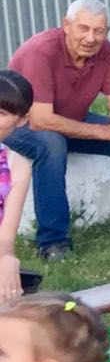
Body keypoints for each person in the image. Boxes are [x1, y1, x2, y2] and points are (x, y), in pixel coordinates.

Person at [4, 0, 110, 262]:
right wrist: (108, 132)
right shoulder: (40, 51)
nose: (90, 38)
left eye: (98, 31)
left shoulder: (105, 51)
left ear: (106, 32)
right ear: (66, 25)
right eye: (83, 28)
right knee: (51, 144)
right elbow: (40, 120)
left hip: (69, 120)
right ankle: (52, 241)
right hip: (19, 124)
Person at [0, 70, 35, 300]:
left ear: (21, 119)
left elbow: (5, 238)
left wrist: (6, 258)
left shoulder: (17, 166)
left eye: (1, 113)